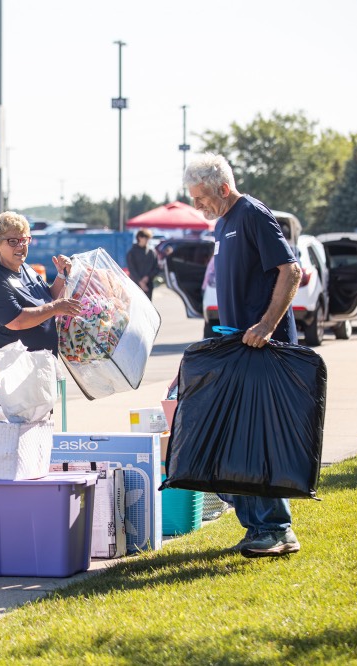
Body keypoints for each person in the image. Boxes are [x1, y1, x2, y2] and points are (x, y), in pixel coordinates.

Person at [183, 154, 302, 559]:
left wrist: (268, 325)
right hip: (235, 346)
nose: (197, 207)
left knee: (254, 443)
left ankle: (276, 529)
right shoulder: (222, 224)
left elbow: (291, 271)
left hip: (264, 347)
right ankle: (259, 526)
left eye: (200, 198)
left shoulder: (252, 214)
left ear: (222, 187)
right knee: (227, 443)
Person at [0, 211, 82, 371]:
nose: (21, 245)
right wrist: (56, 308)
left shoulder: (28, 270)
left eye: (24, 240)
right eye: (13, 241)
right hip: (11, 371)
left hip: (41, 366)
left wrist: (61, 274)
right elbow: (17, 321)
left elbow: (49, 298)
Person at [125, 229, 160, 299]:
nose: (147, 240)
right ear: (139, 238)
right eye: (146, 238)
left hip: (148, 285)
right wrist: (140, 281)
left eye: (148, 238)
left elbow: (156, 268)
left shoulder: (152, 252)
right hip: (135, 285)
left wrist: (148, 277)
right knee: (136, 307)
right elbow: (131, 269)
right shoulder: (132, 252)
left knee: (148, 307)